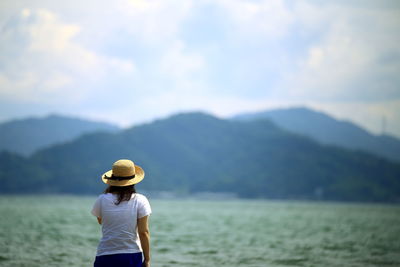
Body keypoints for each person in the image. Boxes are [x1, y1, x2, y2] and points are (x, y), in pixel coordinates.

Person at [91, 159, 151, 267]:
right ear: (133, 180)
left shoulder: (102, 199)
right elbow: (143, 232)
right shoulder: (140, 200)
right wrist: (147, 260)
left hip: (105, 255)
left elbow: (101, 221)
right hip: (131, 256)